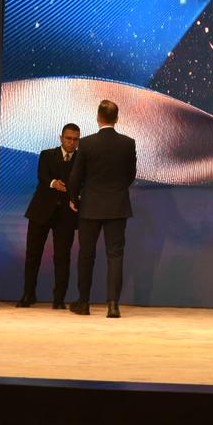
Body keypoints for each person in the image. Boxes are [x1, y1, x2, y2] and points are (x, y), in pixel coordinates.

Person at [68, 99, 137, 318]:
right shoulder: (128, 143)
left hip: (90, 207)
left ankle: (83, 303)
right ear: (116, 119)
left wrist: (74, 198)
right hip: (117, 206)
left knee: (86, 255)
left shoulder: (87, 143)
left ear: (98, 118)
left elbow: (75, 176)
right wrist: (116, 191)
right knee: (115, 255)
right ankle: (113, 305)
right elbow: (130, 175)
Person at [17, 123, 81, 309]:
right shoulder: (47, 154)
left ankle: (59, 299)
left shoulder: (82, 159)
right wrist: (53, 183)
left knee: (62, 257)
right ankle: (28, 294)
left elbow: (82, 182)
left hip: (66, 214)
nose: (71, 142)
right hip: (41, 211)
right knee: (33, 254)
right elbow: (42, 175)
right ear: (61, 138)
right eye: (68, 138)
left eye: (75, 139)